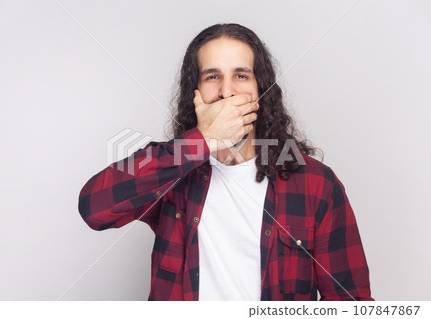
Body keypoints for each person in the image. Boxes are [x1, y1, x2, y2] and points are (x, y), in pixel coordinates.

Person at [78, 23, 374, 301]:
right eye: (213, 76)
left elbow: (351, 303)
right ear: (195, 93)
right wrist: (203, 139)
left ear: (262, 91)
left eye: (241, 76)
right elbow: (95, 208)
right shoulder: (172, 171)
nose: (227, 91)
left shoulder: (316, 183)